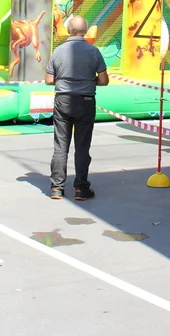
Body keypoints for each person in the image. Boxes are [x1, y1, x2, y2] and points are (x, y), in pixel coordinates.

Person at [46, 14, 108, 200]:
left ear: (69, 30)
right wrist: (89, 80)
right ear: (86, 31)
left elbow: (49, 79)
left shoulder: (58, 51)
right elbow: (104, 80)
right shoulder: (93, 51)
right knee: (82, 146)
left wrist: (64, 80)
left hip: (63, 100)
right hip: (86, 100)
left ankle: (57, 188)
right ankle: (81, 188)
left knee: (60, 146)